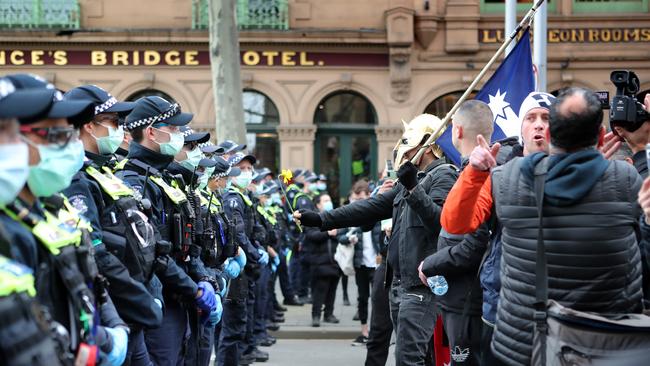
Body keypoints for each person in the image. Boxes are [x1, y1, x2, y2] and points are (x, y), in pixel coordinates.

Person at [475, 87, 644, 365]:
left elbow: (456, 225)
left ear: (550, 135)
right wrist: (639, 148)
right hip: (601, 346)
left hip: (522, 345)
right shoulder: (625, 179)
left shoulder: (506, 179)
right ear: (601, 137)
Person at [296, 113, 459, 366]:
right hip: (399, 283)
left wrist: (414, 189)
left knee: (408, 358)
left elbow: (439, 223)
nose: (404, 152)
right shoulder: (410, 182)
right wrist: (320, 219)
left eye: (410, 144)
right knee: (417, 356)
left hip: (422, 285)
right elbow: (368, 208)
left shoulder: (444, 176)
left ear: (428, 145)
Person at [2, 73, 129, 365]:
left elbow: (86, 282)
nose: (71, 147)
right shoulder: (11, 232)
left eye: (70, 134)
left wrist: (109, 330)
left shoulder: (51, 207)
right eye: (57, 136)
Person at [439, 92, 555, 365]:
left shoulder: (576, 174)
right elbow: (456, 223)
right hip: (502, 311)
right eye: (531, 117)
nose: (538, 124)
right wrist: (474, 175)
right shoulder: (500, 175)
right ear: (521, 128)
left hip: (559, 314)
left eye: (547, 118)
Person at [62, 84, 165, 366]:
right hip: (115, 309)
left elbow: (142, 238)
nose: (120, 129)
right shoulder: (78, 179)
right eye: (113, 122)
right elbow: (96, 252)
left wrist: (150, 292)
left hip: (131, 307)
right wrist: (140, 301)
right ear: (89, 126)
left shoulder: (105, 171)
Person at [116, 96, 217, 366]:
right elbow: (155, 253)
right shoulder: (135, 182)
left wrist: (204, 279)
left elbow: (188, 239)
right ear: (152, 132)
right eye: (173, 129)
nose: (179, 136)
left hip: (181, 294)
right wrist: (193, 290)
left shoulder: (165, 179)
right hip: (161, 298)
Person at [418, 100, 493, 366]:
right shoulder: (468, 172)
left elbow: (474, 244)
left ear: (457, 131)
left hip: (468, 300)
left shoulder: (482, 175)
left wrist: (431, 264)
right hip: (459, 297)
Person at [218, 151, 266, 365]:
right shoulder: (232, 199)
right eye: (242, 168)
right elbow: (238, 235)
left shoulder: (243, 198)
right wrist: (254, 255)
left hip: (246, 268)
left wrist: (257, 251)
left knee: (239, 321)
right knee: (233, 327)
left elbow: (251, 231)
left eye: (249, 168)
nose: (247, 172)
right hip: (238, 267)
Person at [336, 180, 380, 346]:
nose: (359, 203)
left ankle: (376, 332)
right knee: (362, 298)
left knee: (378, 299)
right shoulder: (352, 214)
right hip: (360, 263)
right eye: (356, 200)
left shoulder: (378, 211)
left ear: (369, 196)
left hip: (377, 264)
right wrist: (349, 238)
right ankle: (364, 331)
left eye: (362, 199)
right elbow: (340, 236)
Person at [305, 193, 340, 327]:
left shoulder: (336, 216)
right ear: (318, 204)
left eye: (329, 200)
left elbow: (342, 233)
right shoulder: (312, 219)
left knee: (332, 290)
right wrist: (327, 233)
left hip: (335, 261)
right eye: (325, 201)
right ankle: (316, 316)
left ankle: (329, 314)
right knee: (319, 291)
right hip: (319, 262)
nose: (328, 203)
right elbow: (310, 235)